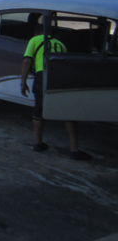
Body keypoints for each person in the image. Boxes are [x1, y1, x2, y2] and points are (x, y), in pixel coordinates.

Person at [20, 21, 90, 160]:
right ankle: (74, 150)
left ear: (36, 33)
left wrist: (23, 82)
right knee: (67, 112)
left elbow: (27, 61)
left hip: (43, 76)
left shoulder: (34, 40)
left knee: (39, 110)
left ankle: (39, 143)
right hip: (61, 77)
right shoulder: (60, 44)